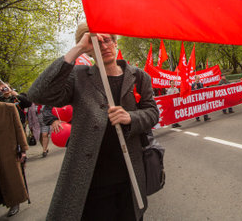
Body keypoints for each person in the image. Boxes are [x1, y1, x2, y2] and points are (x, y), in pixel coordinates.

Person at [28, 23, 159, 221]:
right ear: (88, 48)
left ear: (115, 43)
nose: (104, 45)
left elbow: (152, 113)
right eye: (95, 42)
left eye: (107, 40)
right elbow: (39, 93)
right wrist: (78, 48)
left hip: (130, 177)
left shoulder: (139, 77)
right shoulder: (78, 77)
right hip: (90, 180)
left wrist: (131, 117)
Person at [0, 102, 29, 217]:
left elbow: (19, 128)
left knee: (11, 178)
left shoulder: (8, 108)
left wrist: (23, 149)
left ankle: (14, 202)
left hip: (8, 150)